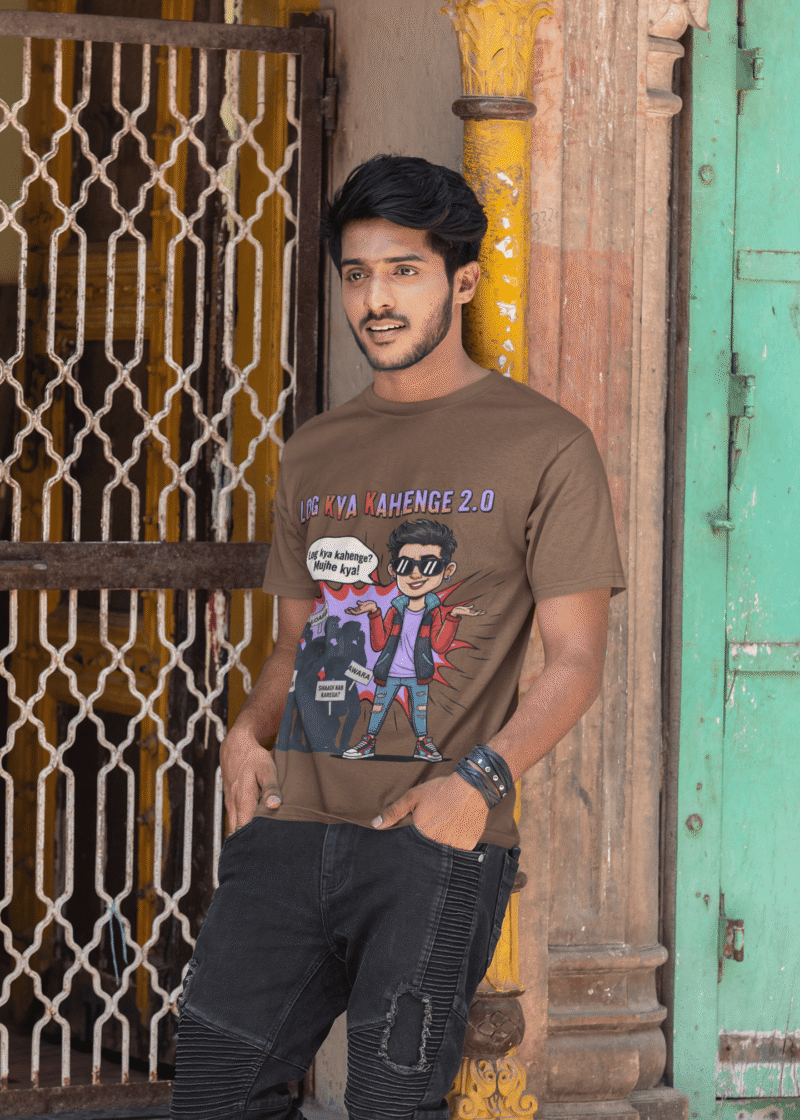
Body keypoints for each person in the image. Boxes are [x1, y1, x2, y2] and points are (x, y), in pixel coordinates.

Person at [170, 154, 626, 1120]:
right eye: (356, 273)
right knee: (215, 1093)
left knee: (391, 1106)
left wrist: (476, 788)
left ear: (461, 280)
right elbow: (297, 642)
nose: (375, 298)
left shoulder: (545, 445)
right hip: (290, 833)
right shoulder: (316, 449)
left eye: (403, 271)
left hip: (432, 841)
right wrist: (247, 734)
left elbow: (577, 663)